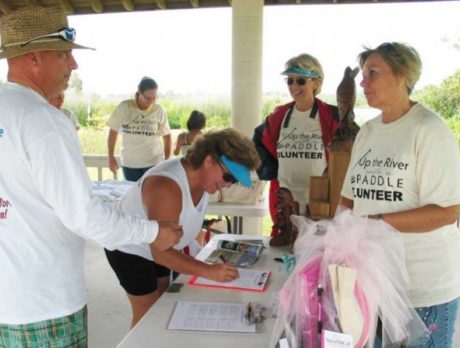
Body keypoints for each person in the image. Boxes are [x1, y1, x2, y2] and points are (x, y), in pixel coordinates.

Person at [0, 6, 182, 347]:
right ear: (35, 57)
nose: (74, 64)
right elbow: (83, 215)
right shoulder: (42, 121)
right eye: (65, 54)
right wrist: (152, 231)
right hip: (47, 307)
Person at [340, 42, 460, 347]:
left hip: (422, 291)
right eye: (363, 75)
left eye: (373, 73)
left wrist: (377, 221)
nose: (363, 83)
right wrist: (336, 241)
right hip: (373, 285)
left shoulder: (429, 130)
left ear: (402, 75)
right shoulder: (366, 133)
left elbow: (447, 211)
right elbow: (348, 201)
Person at [104, 128, 261, 328]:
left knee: (163, 304)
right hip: (129, 248)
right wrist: (207, 270)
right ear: (208, 160)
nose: (229, 184)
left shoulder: (204, 180)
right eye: (229, 177)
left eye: (235, 181)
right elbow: (161, 252)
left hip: (161, 246)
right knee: (147, 318)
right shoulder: (167, 186)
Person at [253, 53, 339, 245]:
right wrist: (270, 171)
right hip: (285, 201)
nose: (294, 87)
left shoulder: (332, 116)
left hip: (320, 203)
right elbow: (258, 141)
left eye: (300, 81)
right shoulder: (279, 115)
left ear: (315, 83)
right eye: (289, 81)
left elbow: (350, 150)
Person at [107, 76, 172, 181]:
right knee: (132, 194)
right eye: (148, 98)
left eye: (154, 97)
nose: (151, 101)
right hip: (130, 164)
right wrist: (110, 156)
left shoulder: (158, 110)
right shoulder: (125, 107)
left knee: (151, 195)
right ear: (139, 93)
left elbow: (167, 136)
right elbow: (113, 132)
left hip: (153, 163)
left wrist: (167, 159)